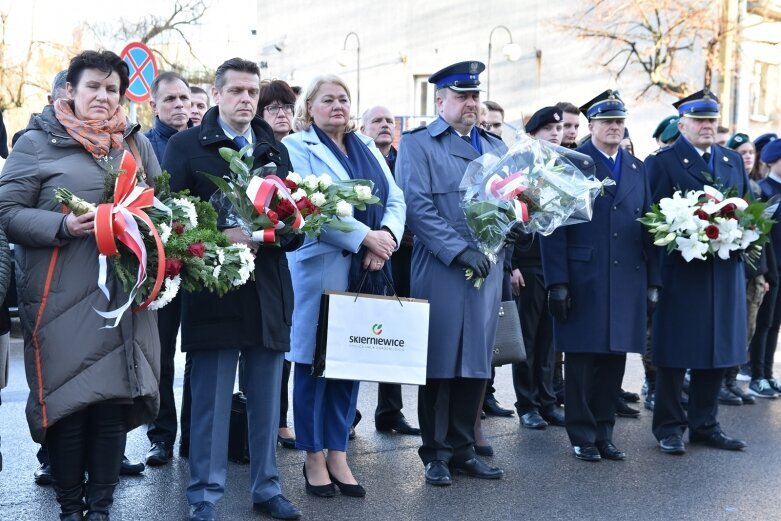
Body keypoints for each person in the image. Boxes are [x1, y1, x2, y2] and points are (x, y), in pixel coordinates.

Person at [0, 49, 162, 521]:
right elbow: (7, 214)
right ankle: (70, 508)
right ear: (70, 90)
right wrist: (62, 227)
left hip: (123, 298)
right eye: (93, 86)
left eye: (112, 89)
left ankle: (101, 508)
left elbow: (160, 206)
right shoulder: (36, 143)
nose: (103, 96)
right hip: (60, 297)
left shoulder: (133, 144)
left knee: (112, 407)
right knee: (69, 407)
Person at [165, 57, 301, 521]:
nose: (246, 99)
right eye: (237, 91)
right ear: (218, 94)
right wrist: (223, 237)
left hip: (267, 290)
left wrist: (279, 230)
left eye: (253, 92)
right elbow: (171, 220)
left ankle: (267, 487)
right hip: (214, 289)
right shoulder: (187, 146)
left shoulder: (274, 148)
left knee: (267, 400)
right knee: (210, 400)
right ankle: (204, 494)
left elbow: (295, 224)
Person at [283, 75, 405, 499]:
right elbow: (306, 203)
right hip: (322, 268)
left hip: (369, 267)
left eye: (344, 99)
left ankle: (339, 453)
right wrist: (362, 237)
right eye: (328, 100)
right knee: (313, 364)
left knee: (350, 361)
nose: (338, 106)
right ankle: (313, 457)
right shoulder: (296, 148)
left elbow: (395, 199)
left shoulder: (367, 146)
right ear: (309, 107)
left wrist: (384, 237)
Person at [396, 61, 507, 486]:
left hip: (487, 269)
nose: (471, 104)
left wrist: (519, 228)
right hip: (442, 267)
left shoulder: (496, 147)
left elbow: (512, 203)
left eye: (475, 96)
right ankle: (435, 453)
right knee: (439, 363)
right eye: (462, 96)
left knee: (476, 364)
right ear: (440, 101)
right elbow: (418, 208)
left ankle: (464, 449)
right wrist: (459, 250)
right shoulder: (419, 144)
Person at [542, 90, 659, 462]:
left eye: (619, 121)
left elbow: (649, 226)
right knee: (580, 362)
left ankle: (605, 432)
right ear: (590, 125)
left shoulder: (637, 167)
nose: (614, 127)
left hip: (626, 278)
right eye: (607, 121)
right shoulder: (571, 162)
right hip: (584, 275)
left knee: (613, 361)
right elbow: (553, 225)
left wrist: (654, 282)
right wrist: (556, 282)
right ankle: (581, 434)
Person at [646, 89, 749, 455]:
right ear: (682, 123)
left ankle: (706, 424)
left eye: (711, 120)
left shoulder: (731, 159)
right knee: (677, 350)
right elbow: (651, 220)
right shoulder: (663, 162)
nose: (707, 126)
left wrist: (741, 235)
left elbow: (745, 208)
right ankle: (669, 427)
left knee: (718, 348)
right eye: (699, 120)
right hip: (682, 270)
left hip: (724, 271)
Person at [358, 105, 421, 436]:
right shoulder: (358, 160)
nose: (385, 125)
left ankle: (390, 410)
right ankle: (349, 412)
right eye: (377, 121)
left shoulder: (403, 160)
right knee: (354, 329)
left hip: (406, 258)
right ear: (362, 127)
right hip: (368, 255)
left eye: (388, 121)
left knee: (394, 332)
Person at [144, 70, 192, 467]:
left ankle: (195, 435)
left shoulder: (200, 141)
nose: (179, 106)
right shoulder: (142, 146)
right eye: (171, 99)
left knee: (200, 352)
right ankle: (162, 436)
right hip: (161, 266)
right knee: (159, 355)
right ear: (153, 105)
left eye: (184, 99)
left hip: (200, 263)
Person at [512, 106, 567, 430]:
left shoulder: (562, 168)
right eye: (548, 129)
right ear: (533, 135)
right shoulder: (520, 166)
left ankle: (547, 401)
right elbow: (509, 217)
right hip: (529, 262)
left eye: (558, 130)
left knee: (549, 340)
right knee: (528, 340)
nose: (556, 134)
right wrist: (513, 265)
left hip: (554, 264)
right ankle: (527, 404)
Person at [255, 78, 298, 449]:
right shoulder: (261, 151)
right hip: (269, 255)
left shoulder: (295, 149)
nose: (282, 113)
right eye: (273, 107)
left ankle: (282, 416)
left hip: (294, 252)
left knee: (288, 342)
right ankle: (273, 419)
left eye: (287, 107)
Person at [751, 139, 781, 399]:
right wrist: (767, 272)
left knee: (775, 325)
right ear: (771, 161)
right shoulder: (763, 190)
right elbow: (763, 237)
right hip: (772, 268)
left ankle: (769, 374)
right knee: (763, 323)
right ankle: (756, 375)